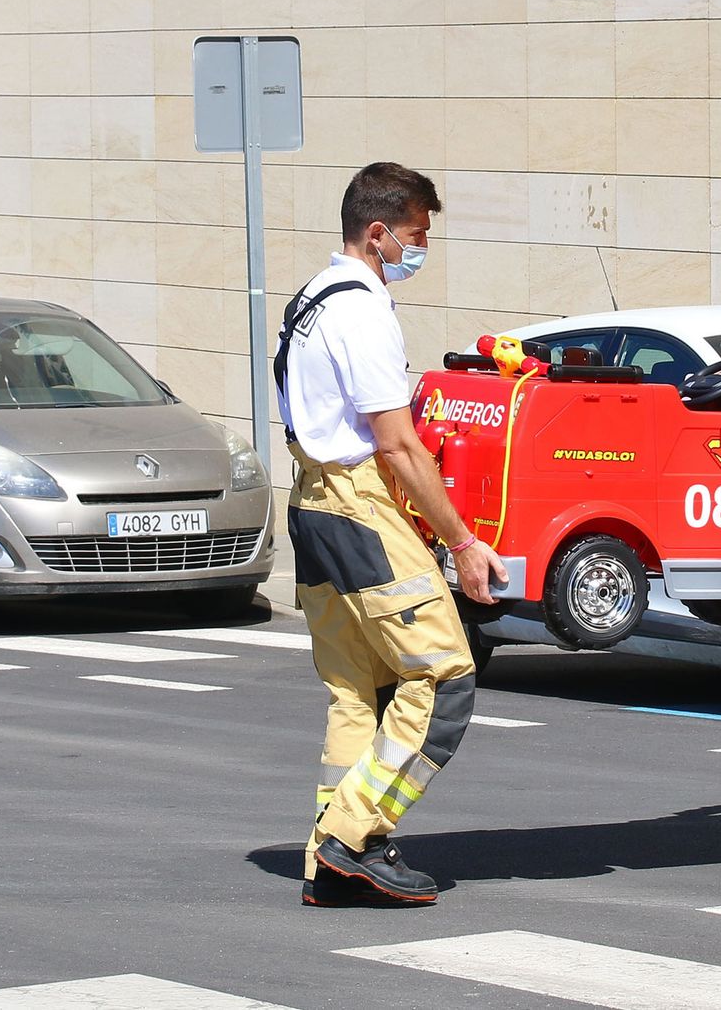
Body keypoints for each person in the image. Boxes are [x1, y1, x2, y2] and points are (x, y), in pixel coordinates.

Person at [277, 161, 507, 906]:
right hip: (358, 508)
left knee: (359, 692)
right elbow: (398, 446)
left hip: (311, 501)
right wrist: (464, 543)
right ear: (378, 234)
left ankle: (334, 862)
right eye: (416, 235)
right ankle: (349, 836)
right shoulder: (363, 311)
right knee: (443, 677)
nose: (421, 247)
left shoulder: (310, 297)